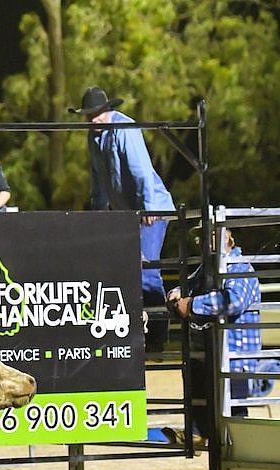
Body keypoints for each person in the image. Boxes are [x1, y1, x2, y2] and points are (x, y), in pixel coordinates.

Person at [69, 87, 175, 352]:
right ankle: (137, 332)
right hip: (127, 213)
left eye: (97, 114)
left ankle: (158, 336)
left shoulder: (125, 128)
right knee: (124, 270)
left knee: (147, 271)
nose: (93, 120)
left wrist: (148, 207)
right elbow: (98, 180)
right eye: (88, 115)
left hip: (150, 208)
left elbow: (140, 170)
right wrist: (98, 215)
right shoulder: (95, 137)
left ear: (107, 111)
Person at [163, 225, 261, 448]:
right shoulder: (207, 269)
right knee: (207, 401)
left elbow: (234, 301)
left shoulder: (238, 267)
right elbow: (190, 287)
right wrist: (178, 294)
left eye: (209, 236)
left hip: (236, 359)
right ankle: (200, 436)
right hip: (213, 354)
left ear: (226, 237)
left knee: (233, 414)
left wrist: (193, 304)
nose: (204, 242)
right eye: (201, 238)